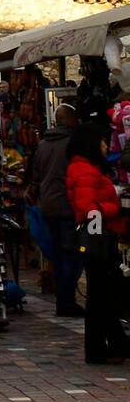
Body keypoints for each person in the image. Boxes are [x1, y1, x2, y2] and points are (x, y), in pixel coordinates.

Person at [65, 124, 130, 364]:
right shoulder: (84, 171)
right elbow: (87, 208)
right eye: (103, 141)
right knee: (102, 295)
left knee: (104, 295)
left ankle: (116, 343)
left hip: (100, 238)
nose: (106, 145)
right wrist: (116, 208)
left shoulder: (85, 168)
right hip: (98, 240)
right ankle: (101, 348)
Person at [31, 103, 82, 317]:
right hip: (66, 206)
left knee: (60, 255)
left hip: (49, 206)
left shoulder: (42, 144)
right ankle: (66, 302)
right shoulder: (72, 144)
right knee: (69, 255)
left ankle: (64, 300)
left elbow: (36, 175)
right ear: (70, 120)